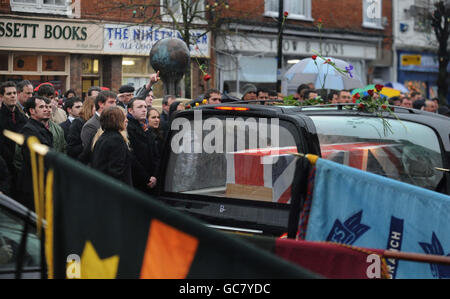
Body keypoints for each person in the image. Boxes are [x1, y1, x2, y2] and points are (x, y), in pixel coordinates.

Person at [17, 96, 53, 211]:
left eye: (47, 106)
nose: (46, 109)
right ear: (32, 111)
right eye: (41, 107)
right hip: (34, 188)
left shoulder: (41, 129)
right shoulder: (29, 130)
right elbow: (36, 162)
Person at [90, 106, 133, 186]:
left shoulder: (102, 138)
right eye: (123, 118)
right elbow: (116, 171)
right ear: (116, 120)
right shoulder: (116, 140)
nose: (126, 120)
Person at [0, 81, 28, 196]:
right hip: (4, 169)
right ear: (1, 97)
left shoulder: (22, 117)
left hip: (21, 168)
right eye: (9, 93)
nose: (12, 96)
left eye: (14, 93)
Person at [126, 98, 158, 191]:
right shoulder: (128, 128)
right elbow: (132, 157)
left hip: (152, 178)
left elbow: (155, 154)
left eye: (145, 107)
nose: (144, 110)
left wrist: (155, 176)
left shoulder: (147, 128)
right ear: (130, 110)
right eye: (140, 107)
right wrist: (147, 178)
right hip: (138, 182)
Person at [147, 108, 164, 172]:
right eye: (153, 117)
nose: (157, 120)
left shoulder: (161, 133)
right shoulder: (146, 136)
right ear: (146, 119)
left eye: (158, 117)